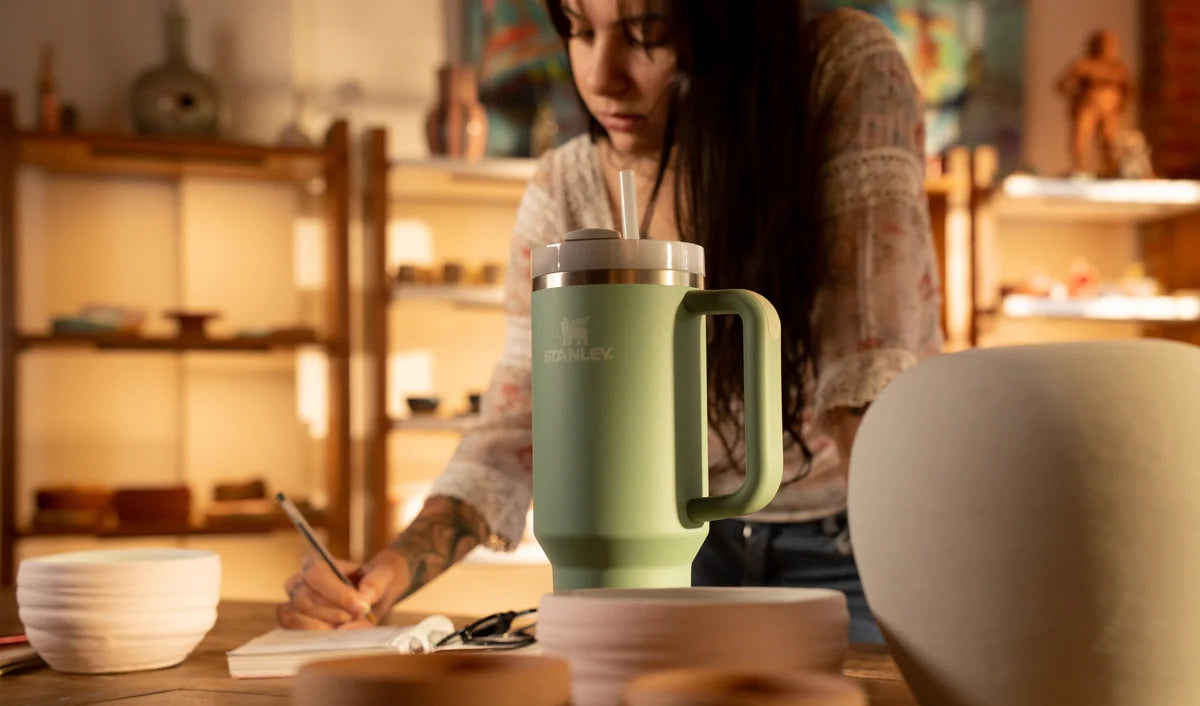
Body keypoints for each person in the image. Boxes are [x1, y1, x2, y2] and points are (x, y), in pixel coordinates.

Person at [278, 0, 943, 643]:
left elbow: (869, 365)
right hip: (682, 548)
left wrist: (940, 584)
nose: (600, 76)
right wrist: (380, 579)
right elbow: (515, 424)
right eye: (578, 29)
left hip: (853, 541)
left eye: (646, 33)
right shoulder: (566, 189)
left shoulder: (836, 74)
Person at [1056, 28, 1134, 177]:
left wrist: (1122, 104)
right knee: (1081, 137)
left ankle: (1110, 167)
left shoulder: (1118, 68)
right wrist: (1075, 95)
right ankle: (1079, 166)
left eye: (1111, 45)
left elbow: (1129, 89)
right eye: (1104, 44)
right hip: (1088, 107)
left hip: (1110, 110)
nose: (1108, 48)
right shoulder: (1084, 64)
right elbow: (1061, 84)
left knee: (1110, 140)